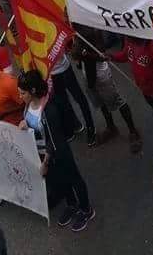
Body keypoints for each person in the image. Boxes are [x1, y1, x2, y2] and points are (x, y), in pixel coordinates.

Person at [17, 70, 94, 232]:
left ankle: (86, 209)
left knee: (74, 178)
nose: (20, 96)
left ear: (33, 90)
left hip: (58, 152)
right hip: (43, 152)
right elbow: (33, 124)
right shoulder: (29, 104)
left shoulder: (49, 109)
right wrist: (25, 123)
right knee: (61, 180)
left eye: (23, 93)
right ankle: (72, 204)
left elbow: (53, 141)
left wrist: (45, 163)